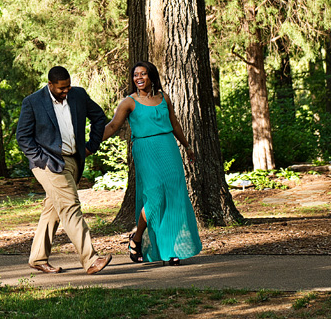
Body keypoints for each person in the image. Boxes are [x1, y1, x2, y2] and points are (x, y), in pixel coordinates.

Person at [102, 61, 202, 265]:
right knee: (155, 197)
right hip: (145, 150)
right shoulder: (129, 102)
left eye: (143, 74)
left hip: (168, 148)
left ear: (151, 76)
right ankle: (136, 238)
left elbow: (174, 123)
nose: (138, 78)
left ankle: (171, 250)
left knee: (173, 198)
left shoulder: (164, 97)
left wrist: (187, 145)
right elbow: (112, 126)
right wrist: (89, 145)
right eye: (135, 75)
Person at [16, 66, 112, 275]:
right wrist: (40, 160)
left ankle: (37, 258)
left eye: (68, 87)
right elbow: (23, 137)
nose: (66, 91)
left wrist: (91, 146)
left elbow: (98, 117)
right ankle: (91, 260)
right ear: (50, 85)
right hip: (48, 163)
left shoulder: (78, 95)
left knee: (53, 209)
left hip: (73, 161)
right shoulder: (32, 102)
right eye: (61, 89)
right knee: (70, 206)